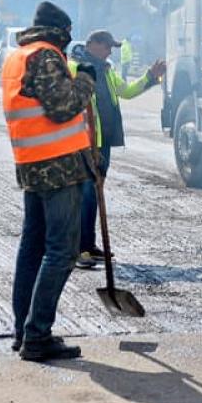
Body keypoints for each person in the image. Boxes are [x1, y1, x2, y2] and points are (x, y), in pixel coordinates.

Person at [1, 1, 96, 363]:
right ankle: (37, 335)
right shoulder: (45, 55)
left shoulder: (18, 55)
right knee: (61, 251)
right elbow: (62, 106)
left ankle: (23, 330)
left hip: (32, 163)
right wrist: (86, 78)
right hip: (58, 167)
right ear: (60, 33)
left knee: (32, 249)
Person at [70, 30, 166, 270]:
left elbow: (127, 92)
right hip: (85, 142)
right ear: (91, 44)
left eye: (111, 47)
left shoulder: (106, 70)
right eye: (106, 46)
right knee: (86, 195)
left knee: (94, 195)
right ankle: (79, 250)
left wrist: (150, 77)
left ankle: (89, 245)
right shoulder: (75, 68)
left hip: (104, 142)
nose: (109, 51)